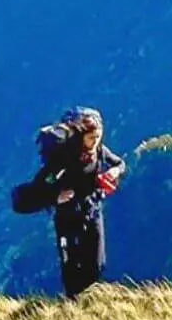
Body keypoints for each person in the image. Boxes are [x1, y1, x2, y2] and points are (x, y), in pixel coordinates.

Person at [45, 108, 124, 299]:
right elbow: (45, 180)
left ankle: (84, 300)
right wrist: (56, 194)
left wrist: (114, 172)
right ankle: (73, 305)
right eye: (91, 137)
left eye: (98, 136)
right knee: (70, 264)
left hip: (92, 210)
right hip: (67, 216)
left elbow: (120, 163)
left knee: (97, 264)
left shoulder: (99, 151)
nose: (95, 141)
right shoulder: (65, 156)